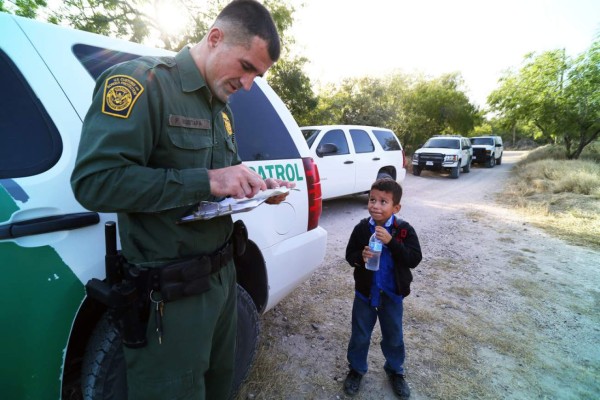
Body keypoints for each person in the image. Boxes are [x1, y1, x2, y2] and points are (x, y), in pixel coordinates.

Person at [71, 1, 291, 399]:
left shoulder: (220, 111)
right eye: (246, 67)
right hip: (169, 298)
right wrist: (207, 179)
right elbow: (95, 183)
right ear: (215, 37)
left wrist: (258, 187)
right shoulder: (141, 84)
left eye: (257, 75)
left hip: (224, 282)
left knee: (220, 387)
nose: (247, 85)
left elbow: (223, 180)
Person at [343, 178, 422, 399]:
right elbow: (350, 255)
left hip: (391, 295)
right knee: (360, 334)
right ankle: (356, 370)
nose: (376, 206)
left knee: (394, 336)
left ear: (396, 207)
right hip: (365, 294)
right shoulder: (361, 229)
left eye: (383, 202)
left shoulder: (403, 231)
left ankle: (395, 371)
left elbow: (414, 258)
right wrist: (361, 256)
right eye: (372, 200)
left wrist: (391, 242)